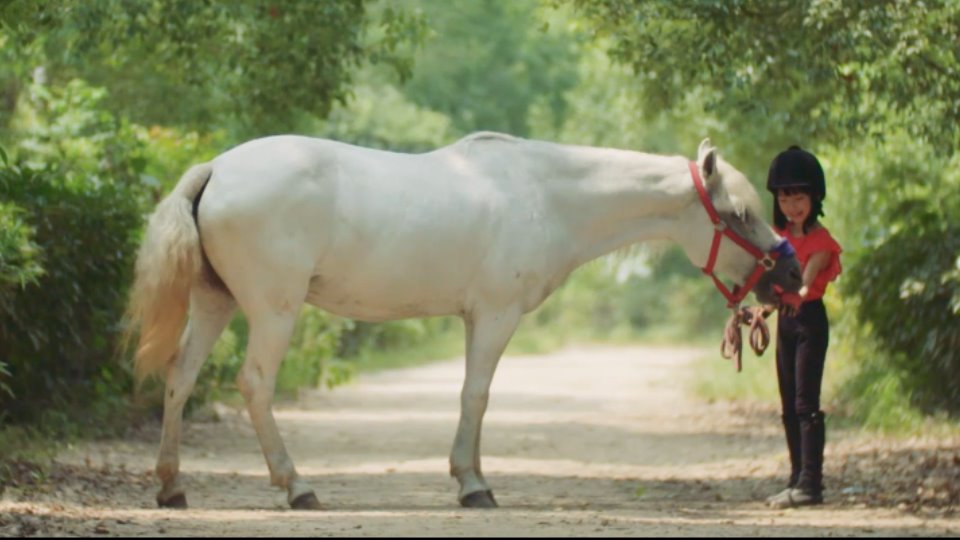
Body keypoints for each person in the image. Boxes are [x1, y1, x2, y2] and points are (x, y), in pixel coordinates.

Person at [761, 145, 843, 509]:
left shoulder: (821, 241)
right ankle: (796, 479)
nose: (792, 205)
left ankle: (812, 483)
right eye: (784, 196)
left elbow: (805, 286)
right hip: (786, 323)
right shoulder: (778, 242)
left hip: (809, 320)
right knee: (787, 403)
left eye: (799, 196)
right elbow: (769, 286)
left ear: (814, 197)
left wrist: (783, 298)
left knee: (805, 402)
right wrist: (754, 311)